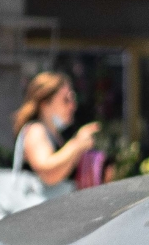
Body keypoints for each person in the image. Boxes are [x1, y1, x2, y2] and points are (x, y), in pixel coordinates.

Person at [14, 72, 100, 202]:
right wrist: (77, 144)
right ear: (44, 103)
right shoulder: (36, 131)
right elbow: (48, 173)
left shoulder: (54, 135)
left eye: (73, 99)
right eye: (66, 100)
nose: (72, 106)